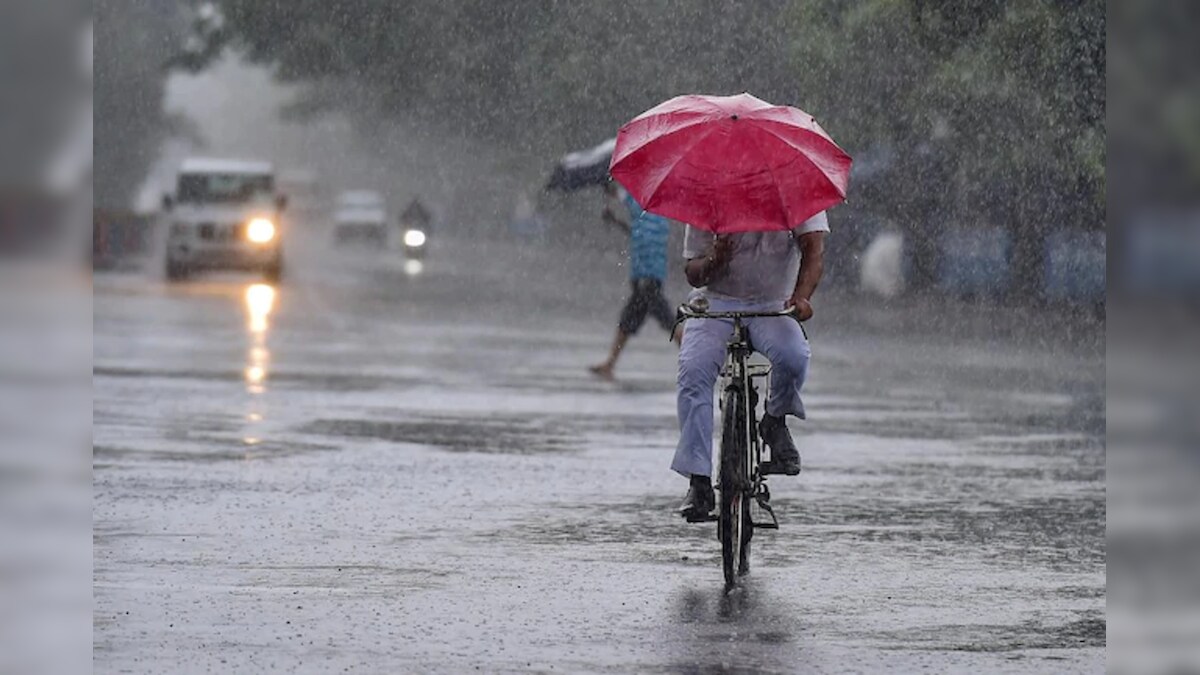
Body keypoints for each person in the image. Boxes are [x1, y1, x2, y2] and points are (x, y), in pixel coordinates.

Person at [674, 213, 828, 520]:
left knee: (794, 357)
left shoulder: (793, 194)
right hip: (716, 302)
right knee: (693, 372)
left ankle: (774, 420)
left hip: (772, 304)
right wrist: (714, 261)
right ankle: (698, 480)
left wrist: (802, 297)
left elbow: (813, 250)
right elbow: (693, 273)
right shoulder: (709, 196)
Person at [589, 181, 677, 380]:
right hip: (649, 277)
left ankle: (695, 362)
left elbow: (625, 198)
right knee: (627, 322)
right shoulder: (658, 218)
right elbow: (636, 234)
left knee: (669, 322)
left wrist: (610, 189)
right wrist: (615, 220)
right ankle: (610, 364)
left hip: (646, 279)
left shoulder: (642, 205)